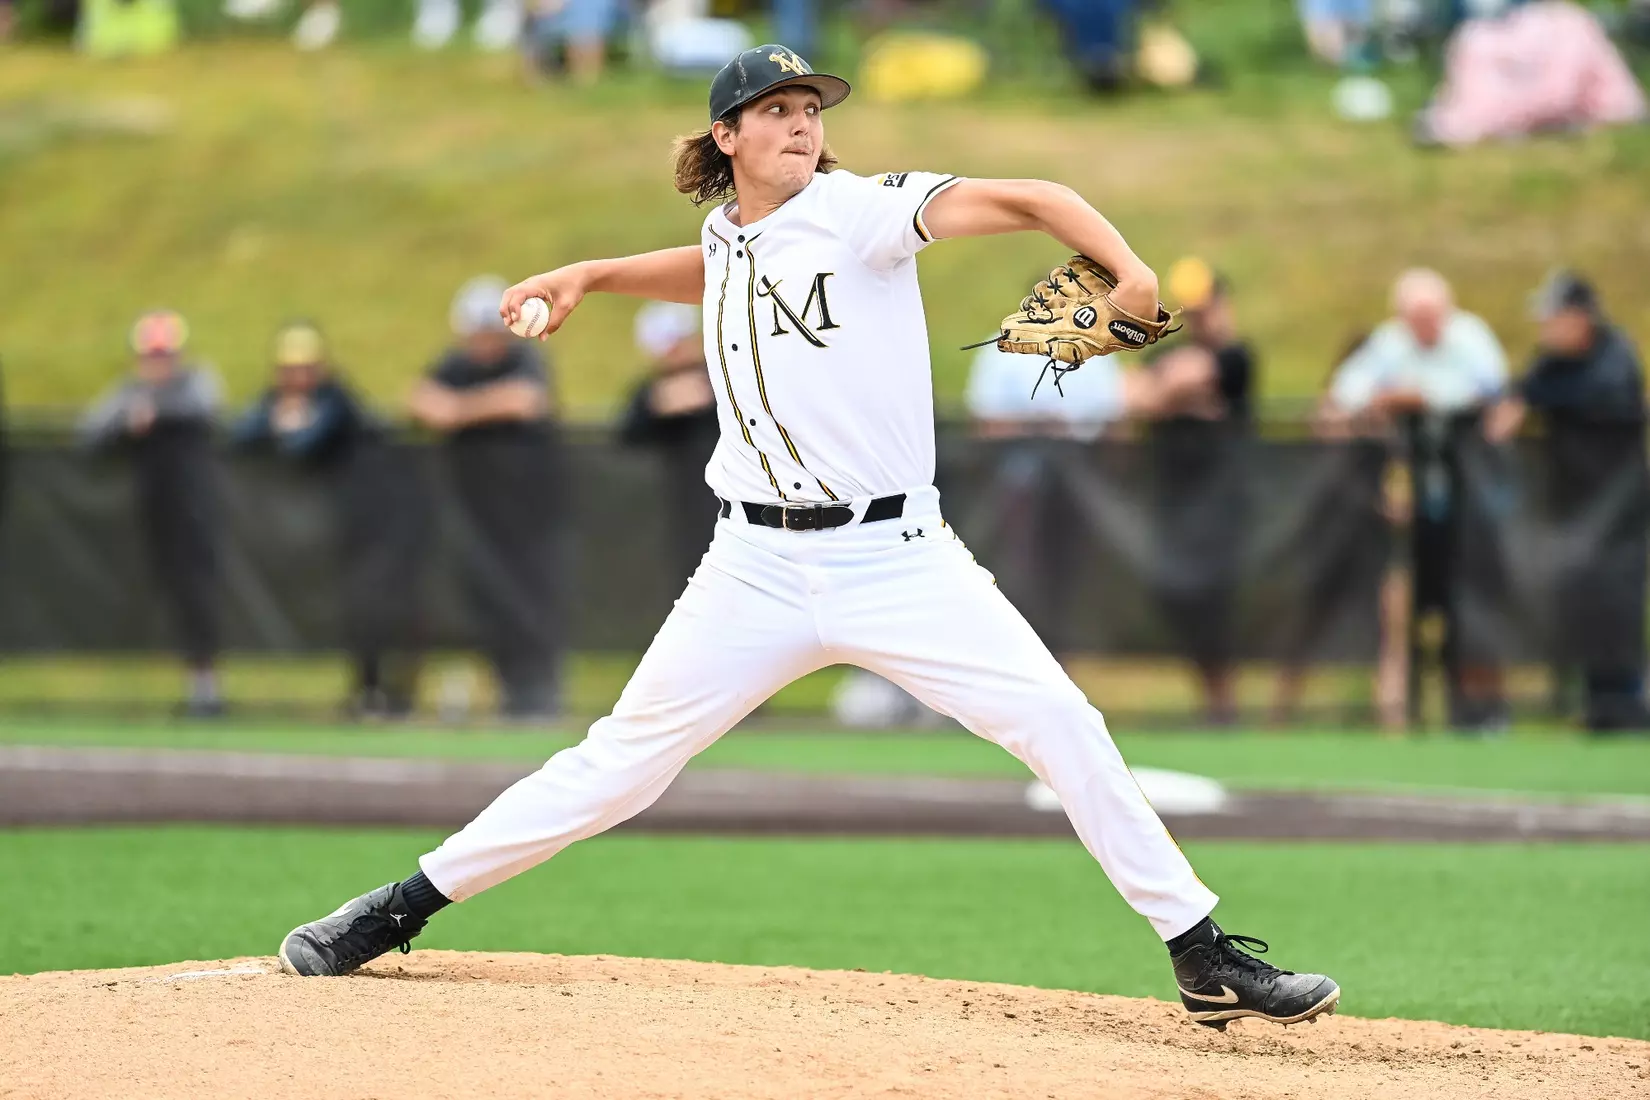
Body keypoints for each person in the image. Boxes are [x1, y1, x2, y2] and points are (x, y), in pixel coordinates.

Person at [279, 43, 1339, 1033]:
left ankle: (1200, 952)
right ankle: (391, 909)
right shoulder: (729, 230)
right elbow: (714, 263)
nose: (799, 125)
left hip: (899, 559)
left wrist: (1127, 269)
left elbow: (1034, 198)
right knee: (618, 764)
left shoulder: (864, 212)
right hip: (753, 566)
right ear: (726, 137)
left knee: (1059, 719)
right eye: (774, 111)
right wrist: (591, 275)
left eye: (809, 110)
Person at [1322, 268, 1508, 731]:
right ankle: (1401, 710)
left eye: (1431, 316)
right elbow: (1344, 395)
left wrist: (1417, 397)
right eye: (1415, 318)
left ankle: (1482, 711)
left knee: (1472, 601)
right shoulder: (1390, 345)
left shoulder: (1470, 339)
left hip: (1468, 505)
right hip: (1406, 506)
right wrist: (1384, 402)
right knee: (1402, 608)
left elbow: (1493, 395)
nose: (1425, 327)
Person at [232, 321, 427, 719]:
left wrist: (286, 424)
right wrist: (277, 419)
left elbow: (304, 441)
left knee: (382, 605)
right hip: (352, 523)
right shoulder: (283, 400)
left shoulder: (335, 399)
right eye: (288, 370)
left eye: (303, 369)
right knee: (359, 606)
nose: (296, 378)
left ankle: (388, 694)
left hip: (386, 515)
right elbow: (243, 432)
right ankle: (369, 692)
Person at [1485, 271, 1650, 733]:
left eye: (1553, 317)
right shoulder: (1552, 363)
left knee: (1618, 598)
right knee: (1581, 597)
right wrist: (1519, 399)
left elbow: (1598, 396)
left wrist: (1535, 400)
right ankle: (1599, 702)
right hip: (1576, 511)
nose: (1545, 327)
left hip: (1619, 510)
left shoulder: (1615, 355)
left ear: (1580, 318)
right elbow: (1524, 387)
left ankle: (1626, 699)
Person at [413, 277, 566, 721]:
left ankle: (537, 693)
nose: (483, 342)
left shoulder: (525, 359)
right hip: (473, 513)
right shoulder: (454, 364)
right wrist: (472, 407)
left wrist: (460, 411)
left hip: (528, 515)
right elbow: (421, 400)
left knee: (531, 601)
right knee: (482, 603)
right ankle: (504, 690)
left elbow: (524, 400)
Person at [78, 310, 225, 716]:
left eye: (165, 356)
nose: (158, 364)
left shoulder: (194, 385)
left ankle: (206, 689)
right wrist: (128, 423)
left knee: (198, 596)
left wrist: (156, 414)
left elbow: (207, 404)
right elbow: (90, 430)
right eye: (151, 356)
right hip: (146, 513)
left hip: (194, 512)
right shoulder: (130, 393)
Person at [1142, 258, 1257, 726]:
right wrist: (1177, 392)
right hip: (1175, 500)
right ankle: (1210, 695)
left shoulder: (1237, 357)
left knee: (1218, 599)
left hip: (1221, 501)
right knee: (1178, 597)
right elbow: (1145, 396)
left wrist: (1176, 389)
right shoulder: (1164, 352)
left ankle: (1223, 702)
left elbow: (1183, 381)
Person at [618, 301, 723, 592]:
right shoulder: (652, 391)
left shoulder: (724, 374)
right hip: (685, 510)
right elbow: (628, 434)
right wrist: (658, 403)